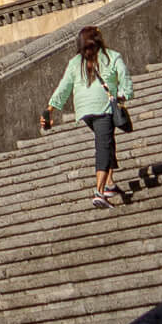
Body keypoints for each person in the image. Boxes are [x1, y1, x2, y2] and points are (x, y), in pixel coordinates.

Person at [41, 24, 134, 208]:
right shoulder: (112, 57)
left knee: (106, 139)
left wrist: (50, 109)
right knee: (103, 146)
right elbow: (125, 79)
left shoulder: (76, 62)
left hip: (84, 110)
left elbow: (64, 87)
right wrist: (124, 95)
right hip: (103, 107)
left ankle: (109, 184)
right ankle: (99, 191)